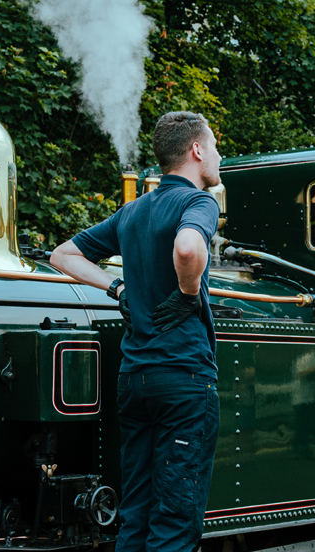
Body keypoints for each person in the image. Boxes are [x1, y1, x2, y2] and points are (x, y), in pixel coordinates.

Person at [50, 111, 223, 550]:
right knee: (174, 522)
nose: (219, 155)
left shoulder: (132, 212)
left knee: (135, 518)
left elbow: (63, 255)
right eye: (215, 145)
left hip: (135, 382)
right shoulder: (199, 203)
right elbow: (187, 247)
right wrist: (187, 294)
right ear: (196, 150)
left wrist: (116, 285)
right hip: (183, 380)